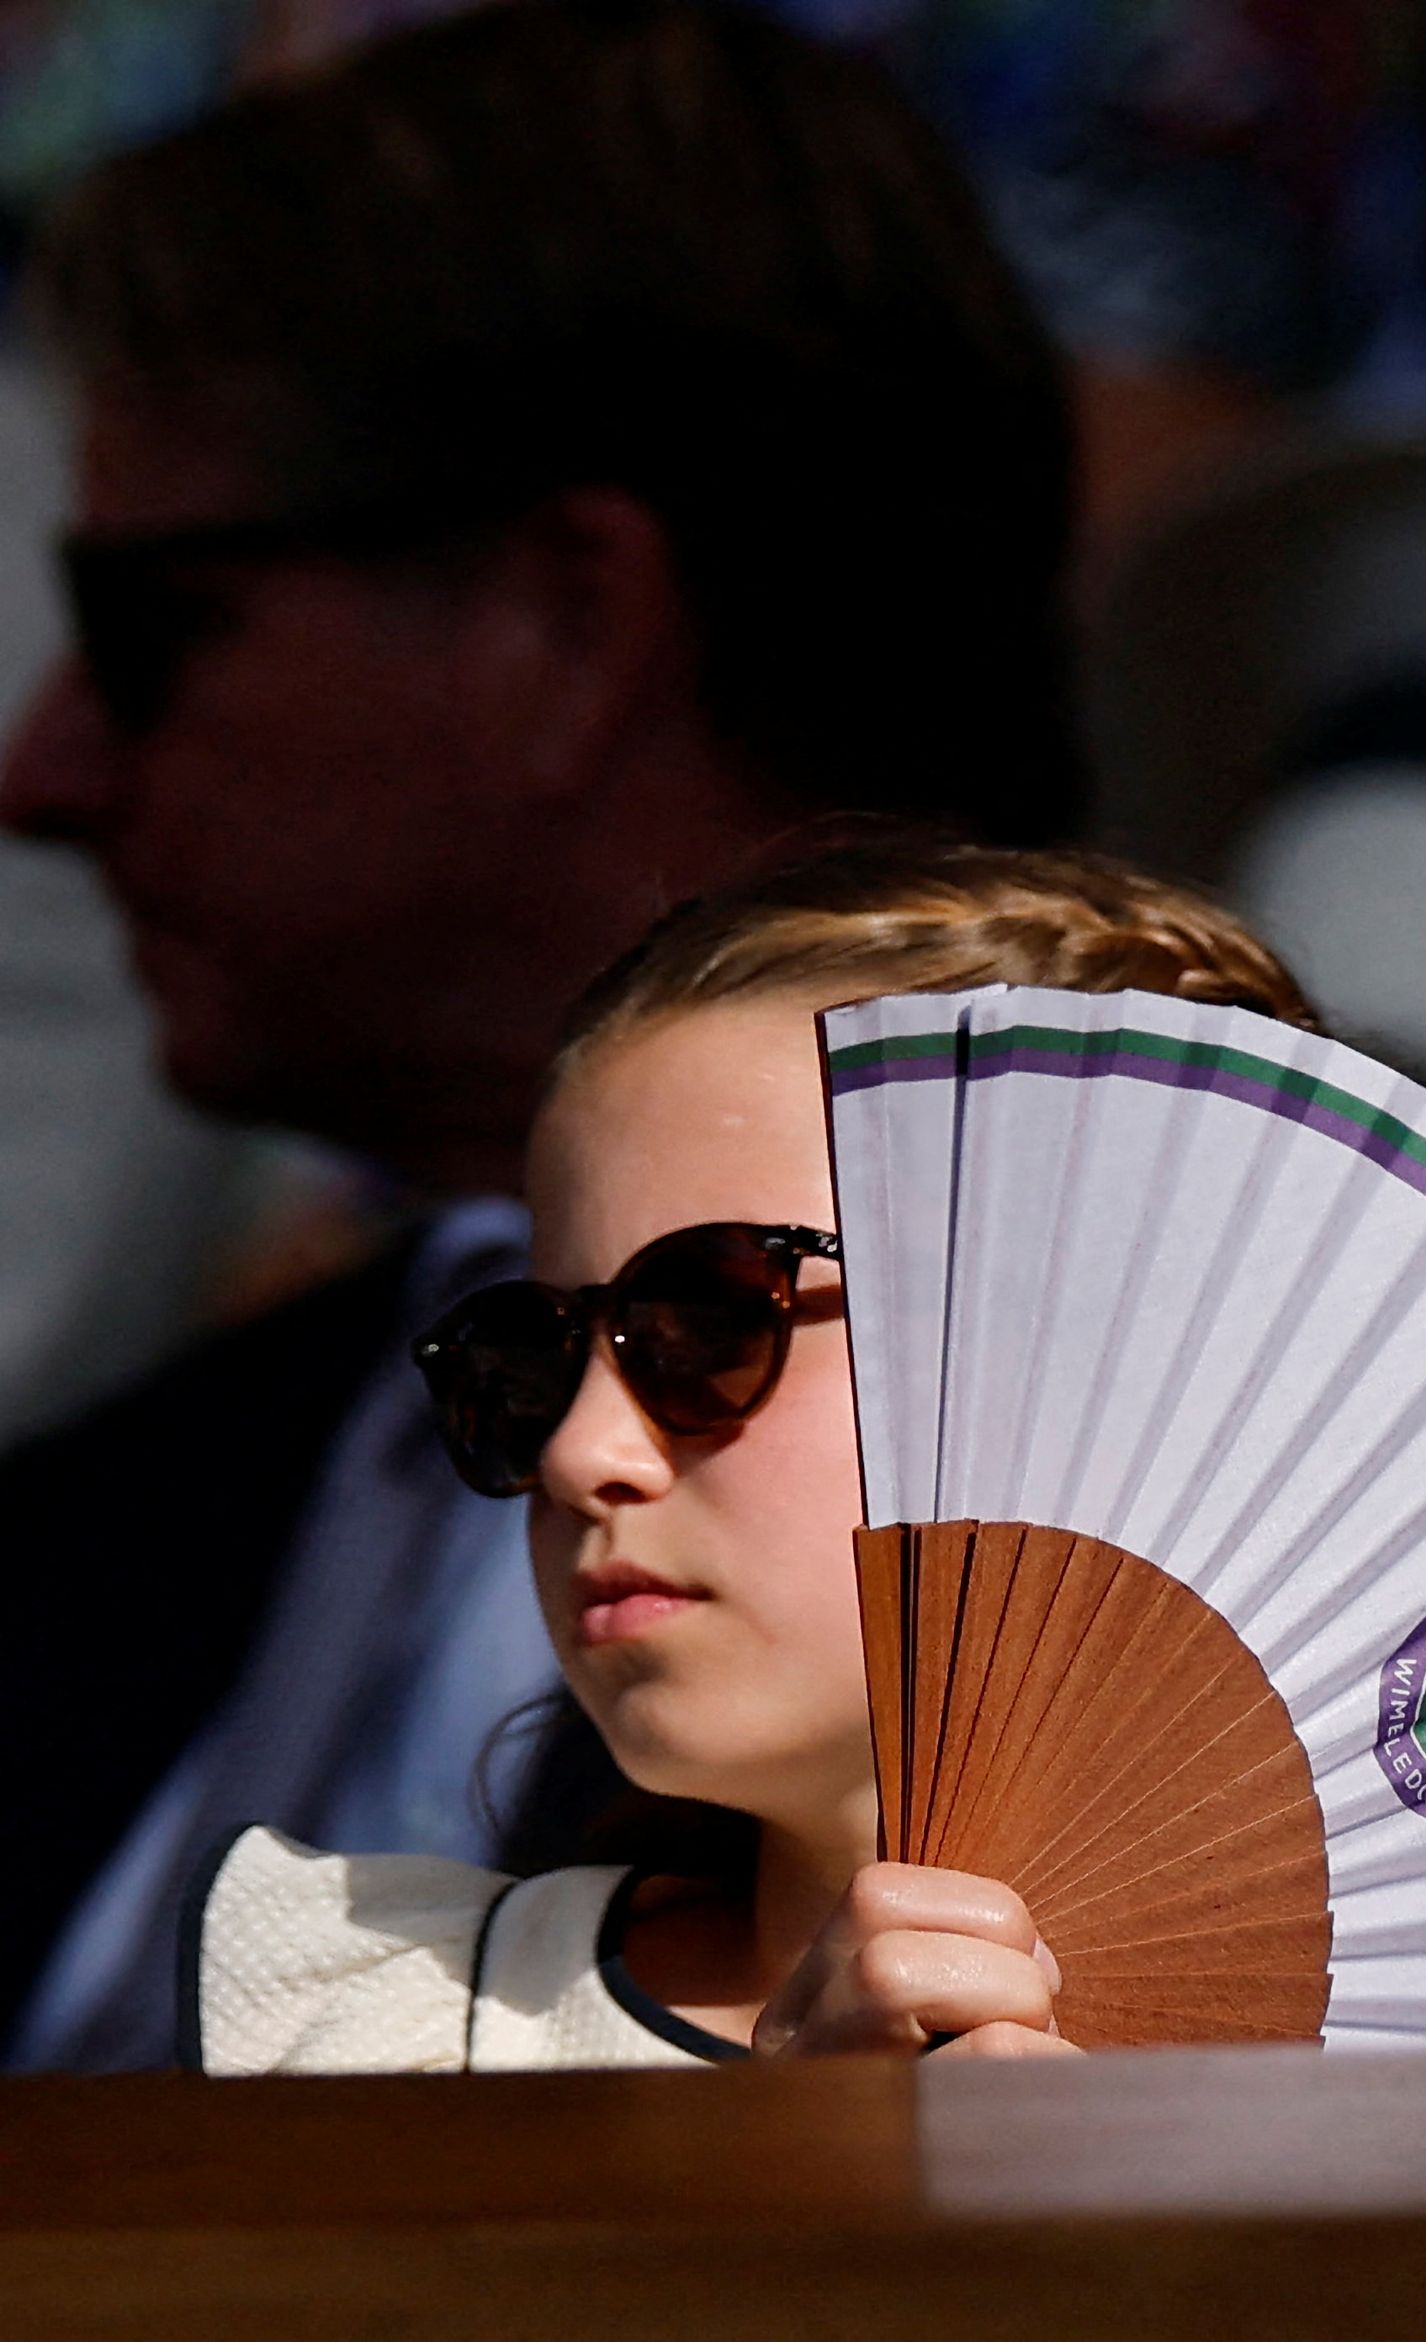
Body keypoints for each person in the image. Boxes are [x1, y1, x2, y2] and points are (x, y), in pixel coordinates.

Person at [0, 0, 1077, 2072]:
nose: (44, 773)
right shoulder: (141, 1497)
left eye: (151, 633)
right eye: (529, 1378)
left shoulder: (1309, 1331)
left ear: (570, 622)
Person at [188, 843, 1306, 2072]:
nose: (580, 1451)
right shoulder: (390, 2035)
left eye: (709, 1322)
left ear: (1132, 1370)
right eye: (529, 1354)